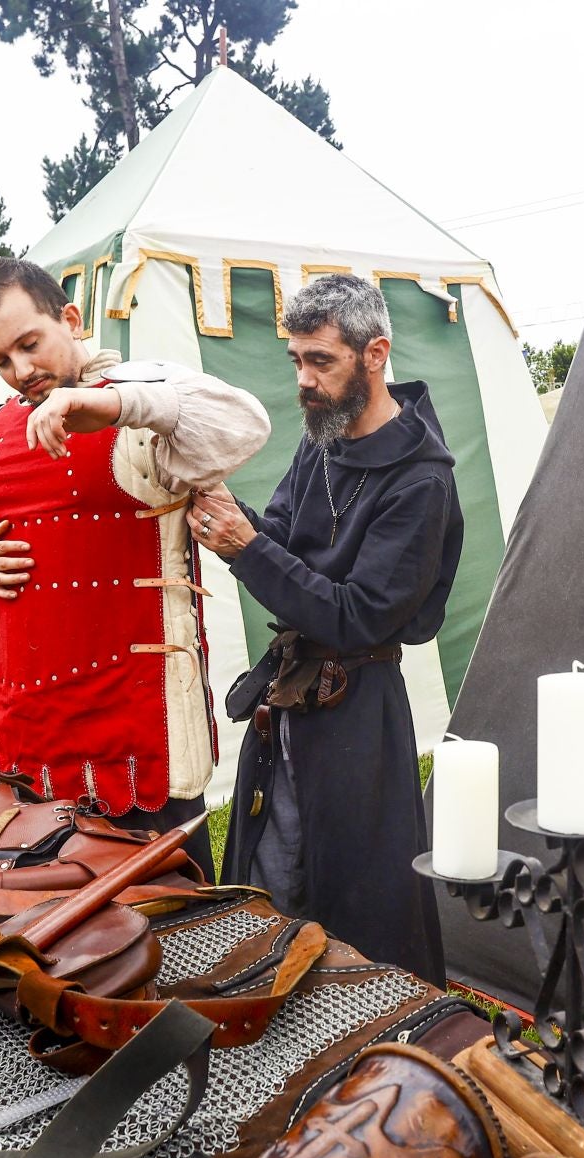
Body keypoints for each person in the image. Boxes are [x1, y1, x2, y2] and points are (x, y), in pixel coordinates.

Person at [0, 257, 270, 865]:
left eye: (29, 344)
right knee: (35, 932)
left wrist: (117, 404)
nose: (20, 371)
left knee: (172, 932)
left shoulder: (144, 404)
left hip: (134, 732)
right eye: (0, 361)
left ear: (70, 318)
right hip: (25, 724)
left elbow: (245, 424)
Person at [192, 275, 463, 984]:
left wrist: (245, 548)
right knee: (273, 871)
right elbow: (281, 528)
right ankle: (277, 1019)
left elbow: (358, 614)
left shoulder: (422, 482)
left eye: (321, 360)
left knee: (360, 903)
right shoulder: (325, 437)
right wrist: (230, 511)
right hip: (293, 701)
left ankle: (371, 1041)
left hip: (359, 717)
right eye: (296, 361)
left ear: (375, 354)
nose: (304, 380)